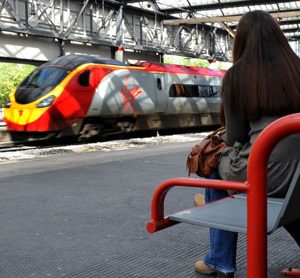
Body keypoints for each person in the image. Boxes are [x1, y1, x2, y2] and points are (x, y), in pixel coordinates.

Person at [194, 10, 300, 277]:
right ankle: (211, 201)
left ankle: (220, 259)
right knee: (292, 198)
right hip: (298, 174)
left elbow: (235, 138)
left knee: (216, 165)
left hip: (264, 171)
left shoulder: (238, 76)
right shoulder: (297, 69)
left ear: (240, 41)